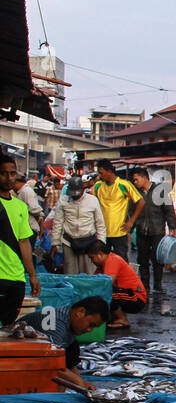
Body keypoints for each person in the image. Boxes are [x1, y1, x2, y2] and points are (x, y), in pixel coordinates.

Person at [17, 296, 108, 390]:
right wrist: (78, 381)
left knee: (72, 350)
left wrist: (82, 383)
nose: (89, 330)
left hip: (40, 358)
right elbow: (50, 361)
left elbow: (70, 362)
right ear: (80, 312)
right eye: (91, 325)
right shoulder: (55, 323)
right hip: (16, 361)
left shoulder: (69, 322)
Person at [0, 155, 40, 324]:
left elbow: (24, 243)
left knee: (8, 327)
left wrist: (32, 275)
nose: (9, 178)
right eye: (3, 173)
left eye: (12, 173)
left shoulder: (21, 206)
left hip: (17, 279)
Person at [125, 166, 175, 293]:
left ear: (144, 177)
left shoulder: (160, 191)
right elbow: (131, 212)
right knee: (142, 259)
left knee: (157, 259)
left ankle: (158, 285)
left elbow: (168, 210)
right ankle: (145, 285)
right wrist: (130, 229)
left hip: (157, 230)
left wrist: (172, 227)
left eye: (136, 179)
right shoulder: (135, 193)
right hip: (141, 230)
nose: (135, 182)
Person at [50, 176, 107, 275]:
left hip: (88, 242)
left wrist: (101, 242)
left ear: (83, 189)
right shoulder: (63, 201)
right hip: (69, 241)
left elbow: (100, 223)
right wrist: (55, 242)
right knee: (70, 273)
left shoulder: (93, 200)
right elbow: (58, 222)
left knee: (88, 274)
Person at [86, 239, 147, 329]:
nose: (92, 261)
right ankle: (114, 317)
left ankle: (122, 319)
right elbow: (94, 281)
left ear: (100, 254)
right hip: (126, 295)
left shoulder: (112, 260)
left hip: (137, 298)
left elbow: (107, 284)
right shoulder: (102, 265)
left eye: (92, 257)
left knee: (107, 293)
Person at [91, 160, 141, 261]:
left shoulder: (124, 184)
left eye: (101, 173)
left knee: (121, 261)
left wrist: (131, 222)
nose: (100, 176)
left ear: (109, 171)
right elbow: (92, 206)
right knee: (102, 261)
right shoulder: (97, 186)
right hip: (102, 233)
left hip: (119, 232)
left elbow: (141, 202)